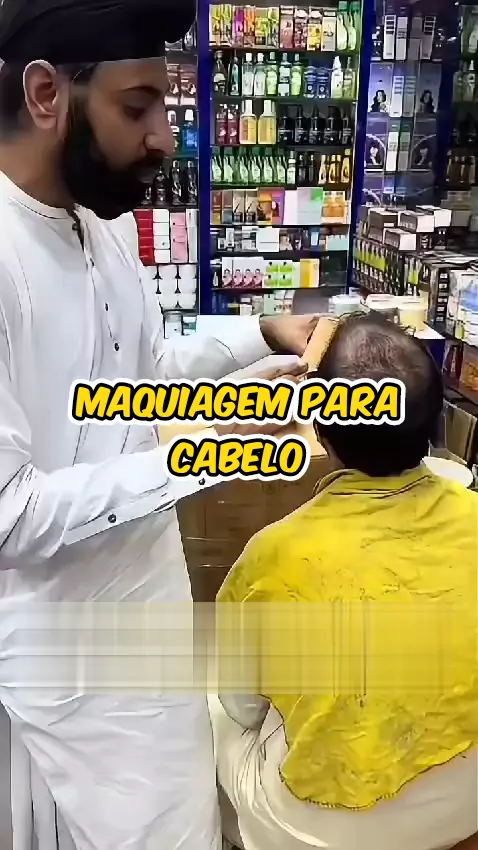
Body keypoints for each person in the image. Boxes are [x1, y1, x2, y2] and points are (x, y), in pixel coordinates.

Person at [0, 1, 318, 848]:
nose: (164, 140)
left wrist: (262, 337)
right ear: (45, 94)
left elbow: (140, 378)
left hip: (150, 608)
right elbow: (10, 516)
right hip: (59, 658)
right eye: (137, 109)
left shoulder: (101, 227)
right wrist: (205, 453)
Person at [212, 314, 478, 850]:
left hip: (322, 829)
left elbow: (242, 706)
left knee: (206, 709)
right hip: (465, 801)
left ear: (322, 430)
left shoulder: (272, 555)